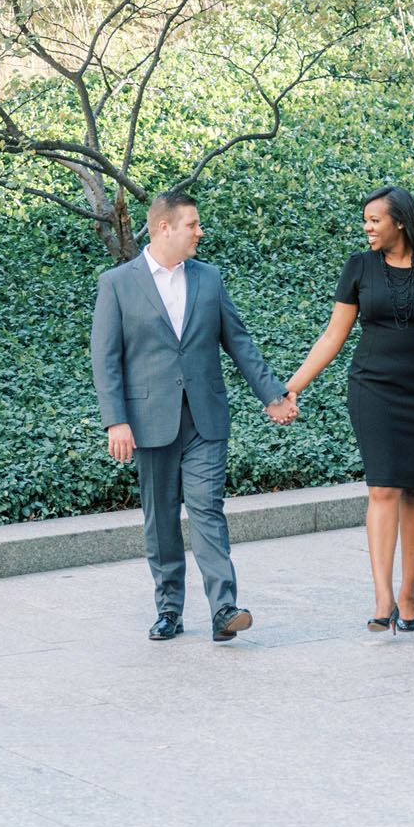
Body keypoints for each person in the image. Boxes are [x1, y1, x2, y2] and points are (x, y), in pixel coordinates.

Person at [90, 187, 297, 643]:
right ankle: (169, 610)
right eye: (193, 225)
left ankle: (224, 608)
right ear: (164, 227)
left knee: (208, 510)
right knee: (160, 518)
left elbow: (238, 342)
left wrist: (273, 395)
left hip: (205, 418)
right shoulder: (117, 284)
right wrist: (115, 420)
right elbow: (105, 358)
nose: (200, 232)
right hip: (148, 422)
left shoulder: (209, 278)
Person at [285, 185, 414, 633]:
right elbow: (333, 335)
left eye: (374, 220)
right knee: (382, 488)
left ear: (400, 221)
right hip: (372, 388)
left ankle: (409, 592)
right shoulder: (359, 268)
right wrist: (291, 387)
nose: (366, 228)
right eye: (365, 220)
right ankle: (383, 596)